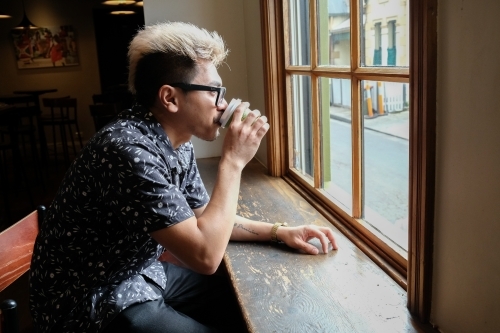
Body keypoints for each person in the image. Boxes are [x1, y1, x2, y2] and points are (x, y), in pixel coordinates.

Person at [29, 22, 338, 333]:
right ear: (170, 98)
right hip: (88, 301)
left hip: (136, 273)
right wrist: (233, 161)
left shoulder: (178, 142)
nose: (223, 103)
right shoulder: (127, 152)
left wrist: (278, 231)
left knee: (239, 304)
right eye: (214, 91)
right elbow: (205, 256)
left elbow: (206, 221)